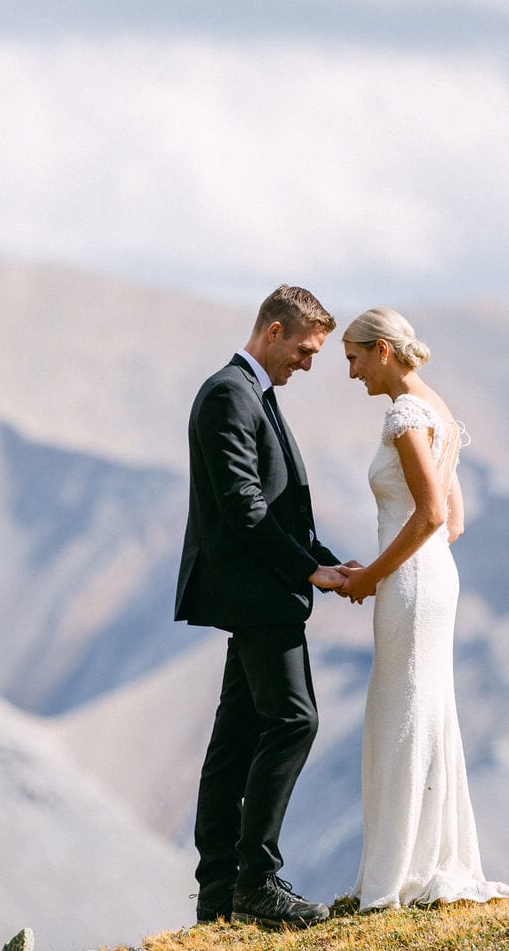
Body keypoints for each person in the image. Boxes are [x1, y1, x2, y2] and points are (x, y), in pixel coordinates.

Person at [175, 285, 354, 928]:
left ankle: (220, 895)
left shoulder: (254, 394)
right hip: (257, 598)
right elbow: (244, 508)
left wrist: (328, 562)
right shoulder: (230, 393)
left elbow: (278, 508)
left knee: (235, 742)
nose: (309, 364)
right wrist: (310, 570)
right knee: (294, 722)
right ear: (273, 332)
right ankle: (258, 882)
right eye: (306, 350)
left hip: (262, 591)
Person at [337, 307, 509, 910]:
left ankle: (397, 877)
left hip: (411, 584)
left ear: (382, 351)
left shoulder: (405, 415)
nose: (352, 372)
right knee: (426, 712)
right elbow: (454, 523)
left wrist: (373, 577)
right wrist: (391, 566)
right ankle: (425, 861)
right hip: (435, 577)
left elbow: (434, 515)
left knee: (402, 716)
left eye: (355, 357)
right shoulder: (438, 409)